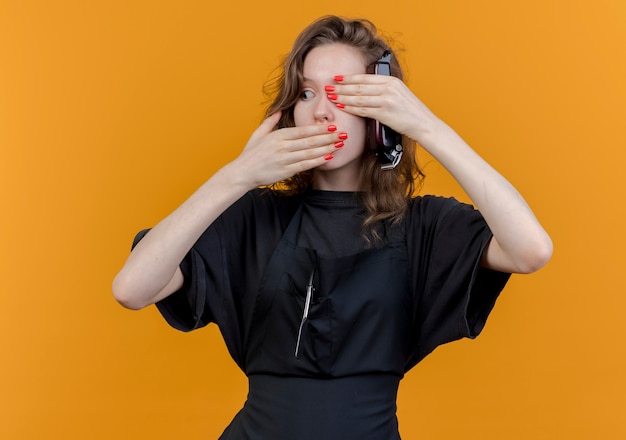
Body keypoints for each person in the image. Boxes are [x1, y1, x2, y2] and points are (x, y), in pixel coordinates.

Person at [112, 15, 552, 439]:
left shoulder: (423, 226)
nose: (322, 111)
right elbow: (132, 288)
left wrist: (426, 126)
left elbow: (530, 250)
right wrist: (237, 175)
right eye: (306, 94)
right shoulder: (252, 217)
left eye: (343, 93)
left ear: (383, 114)